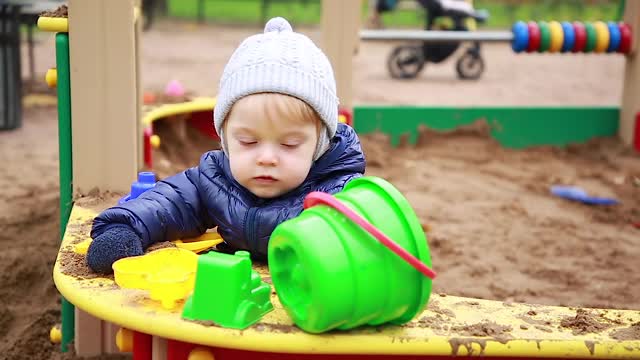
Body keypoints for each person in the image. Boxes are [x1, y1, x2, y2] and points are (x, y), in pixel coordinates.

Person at [86, 17, 366, 273]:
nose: (266, 157)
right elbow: (168, 202)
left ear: (318, 146)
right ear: (227, 139)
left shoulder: (337, 194)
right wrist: (124, 229)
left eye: (289, 144)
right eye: (248, 141)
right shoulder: (216, 179)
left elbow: (369, 243)